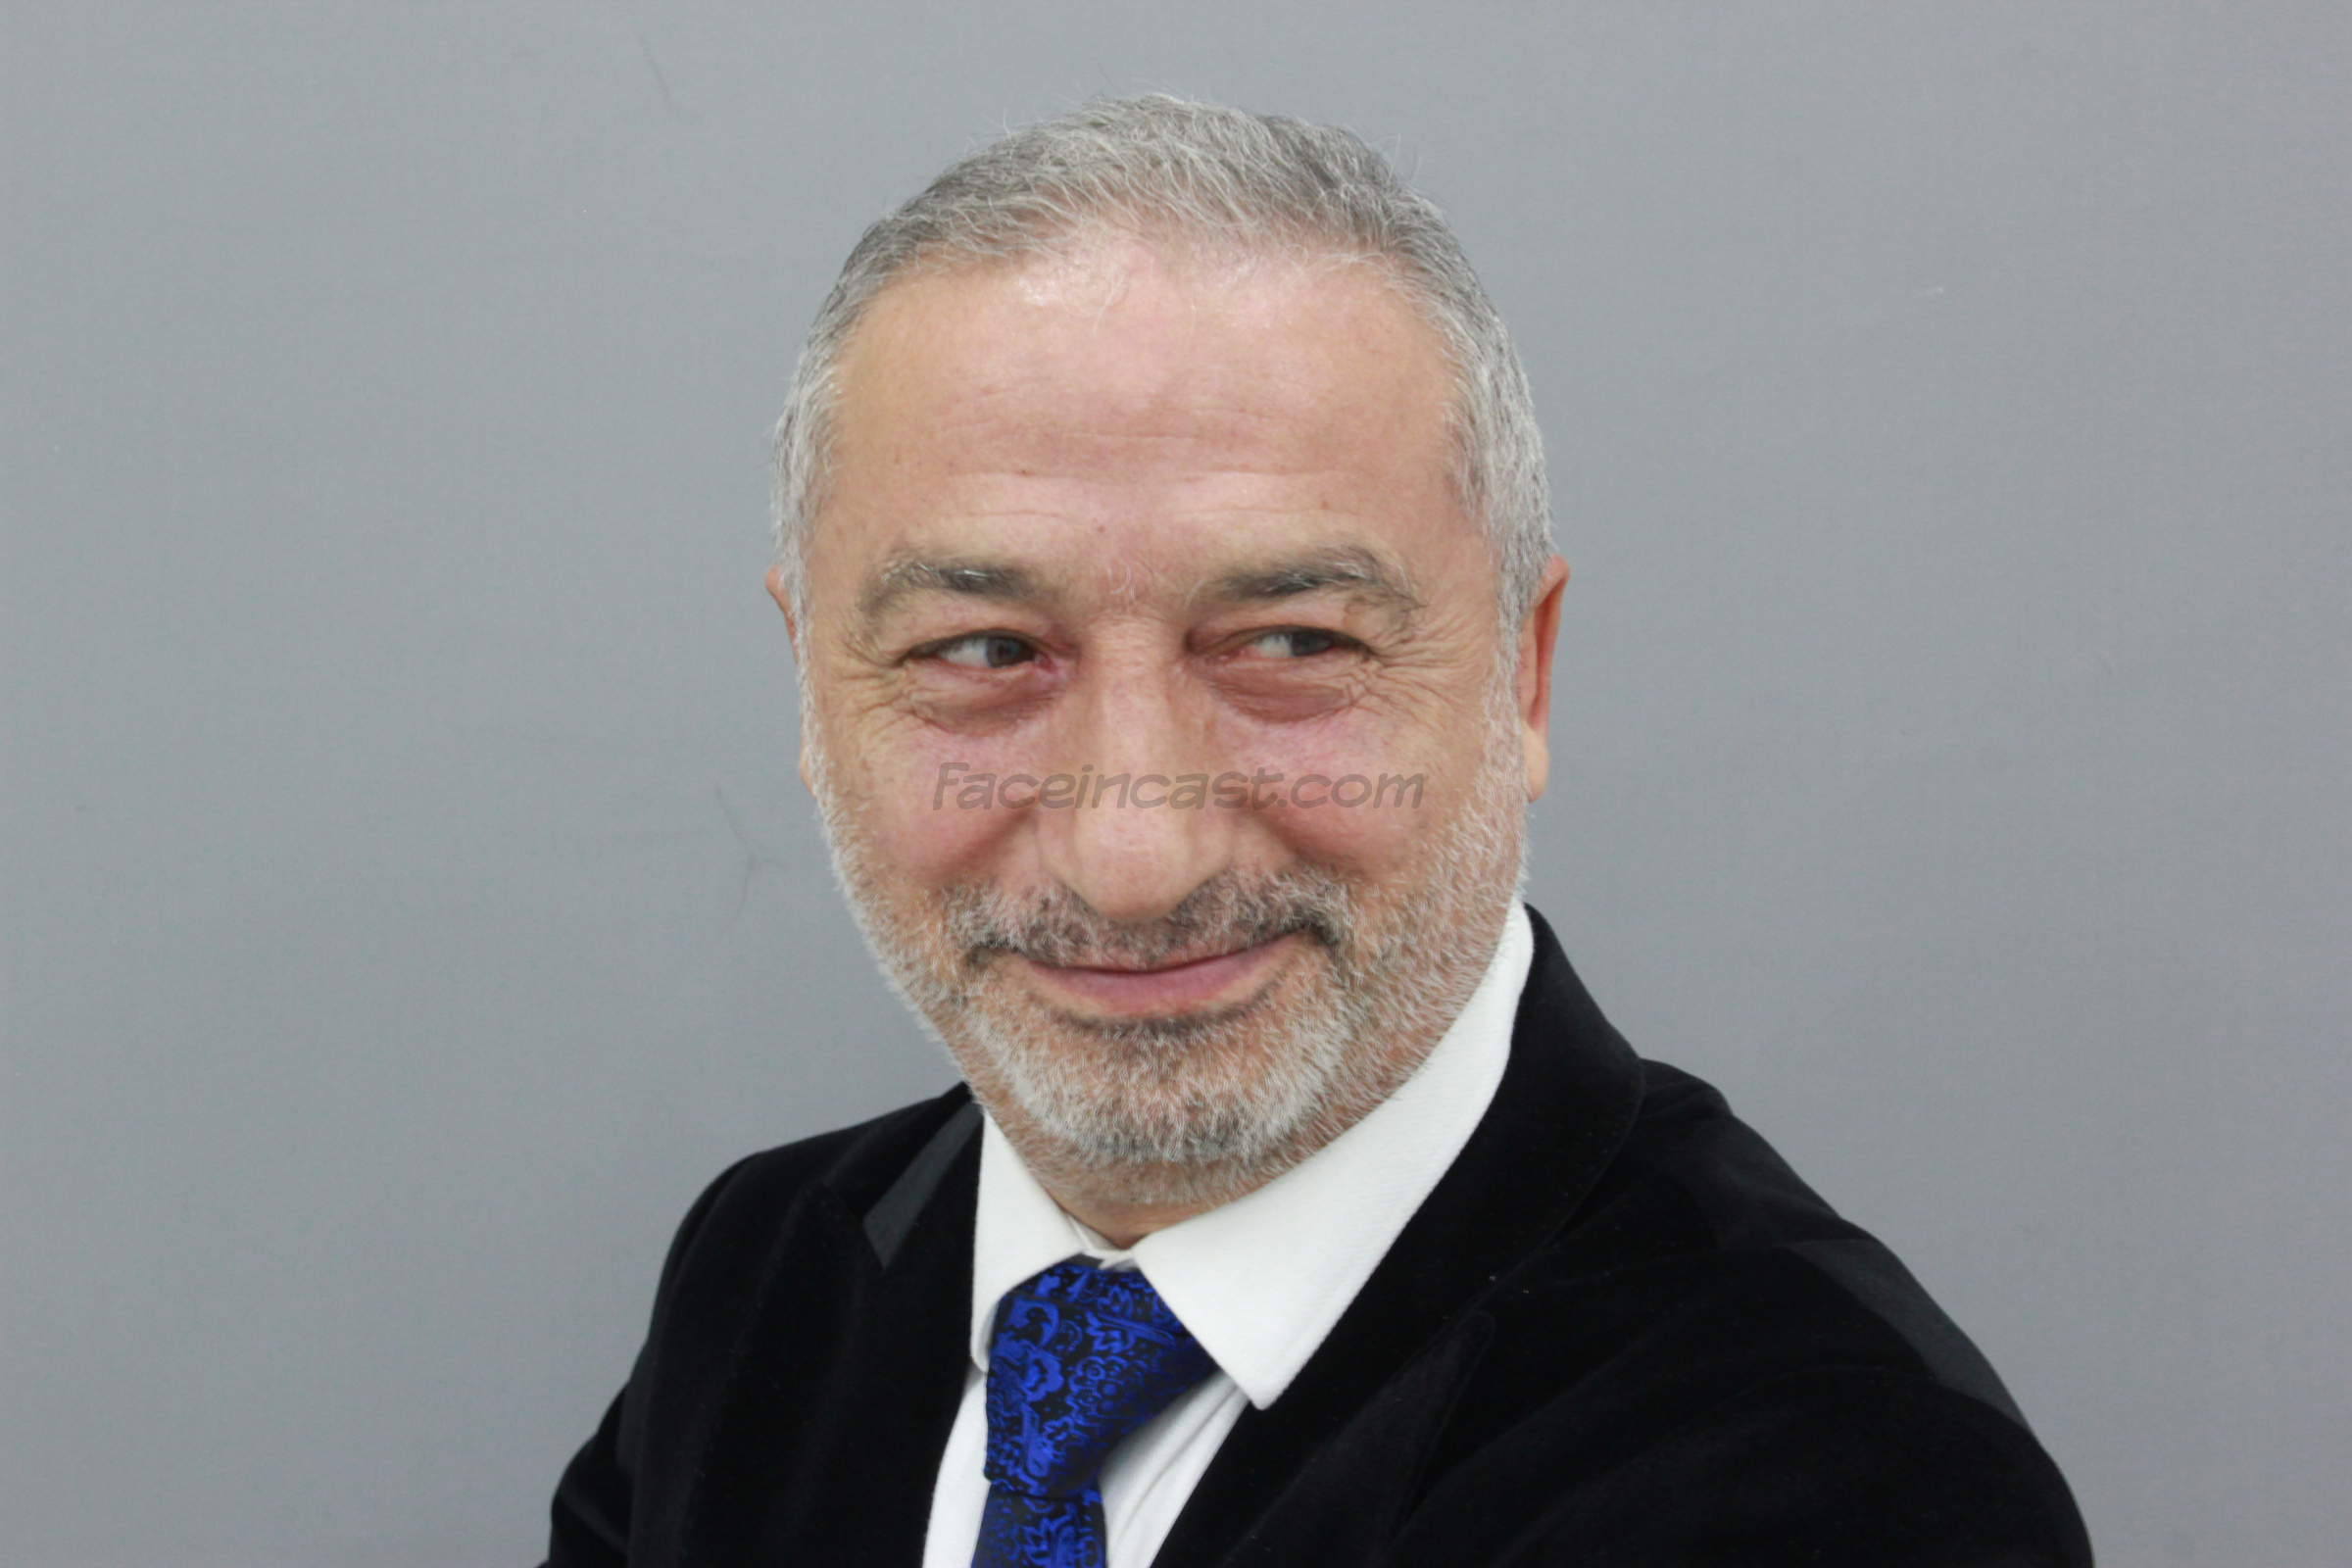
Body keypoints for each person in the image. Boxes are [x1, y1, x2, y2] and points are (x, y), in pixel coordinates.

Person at [543, 96, 2091, 1567]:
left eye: (1291, 644)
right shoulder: (769, 1272)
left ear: (1523, 673)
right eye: (986, 652)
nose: (1133, 862)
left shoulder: (1834, 1477)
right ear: (812, 691)